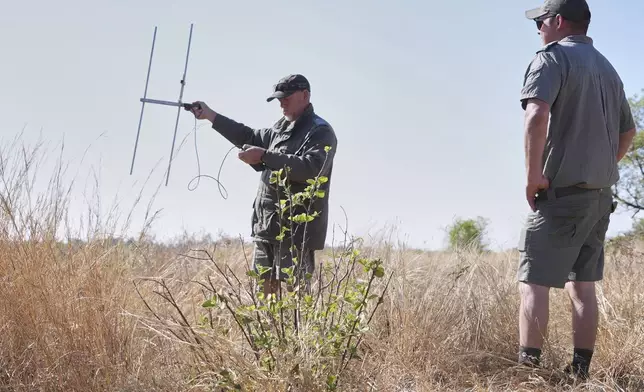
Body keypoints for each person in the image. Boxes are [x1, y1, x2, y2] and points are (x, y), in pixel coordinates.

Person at [518, 0, 636, 378]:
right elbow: (628, 131)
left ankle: (529, 375)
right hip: (600, 197)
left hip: (563, 193)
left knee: (533, 282)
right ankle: (580, 374)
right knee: (582, 286)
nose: (537, 27)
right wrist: (601, 167)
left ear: (557, 21)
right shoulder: (607, 67)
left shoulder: (551, 59)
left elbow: (536, 116)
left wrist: (533, 176)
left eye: (540, 20)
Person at [187, 74, 338, 295]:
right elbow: (248, 135)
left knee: (294, 302)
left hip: (295, 234)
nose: (281, 102)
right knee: (264, 301)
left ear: (305, 95)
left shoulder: (320, 131)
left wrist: (265, 157)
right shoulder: (279, 128)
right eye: (279, 98)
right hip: (266, 229)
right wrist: (210, 116)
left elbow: (311, 169)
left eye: (287, 97)